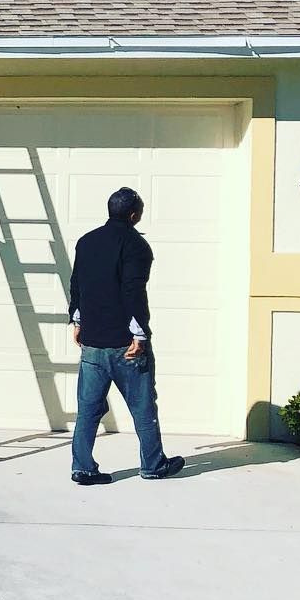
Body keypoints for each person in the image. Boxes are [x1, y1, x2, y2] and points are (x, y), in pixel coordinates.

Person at [67, 186, 185, 485]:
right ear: (134, 214)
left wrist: (77, 320)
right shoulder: (136, 246)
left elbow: (77, 283)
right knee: (143, 407)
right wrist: (140, 335)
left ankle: (82, 468)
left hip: (92, 342)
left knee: (88, 410)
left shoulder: (86, 241)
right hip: (125, 344)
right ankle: (153, 465)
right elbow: (133, 291)